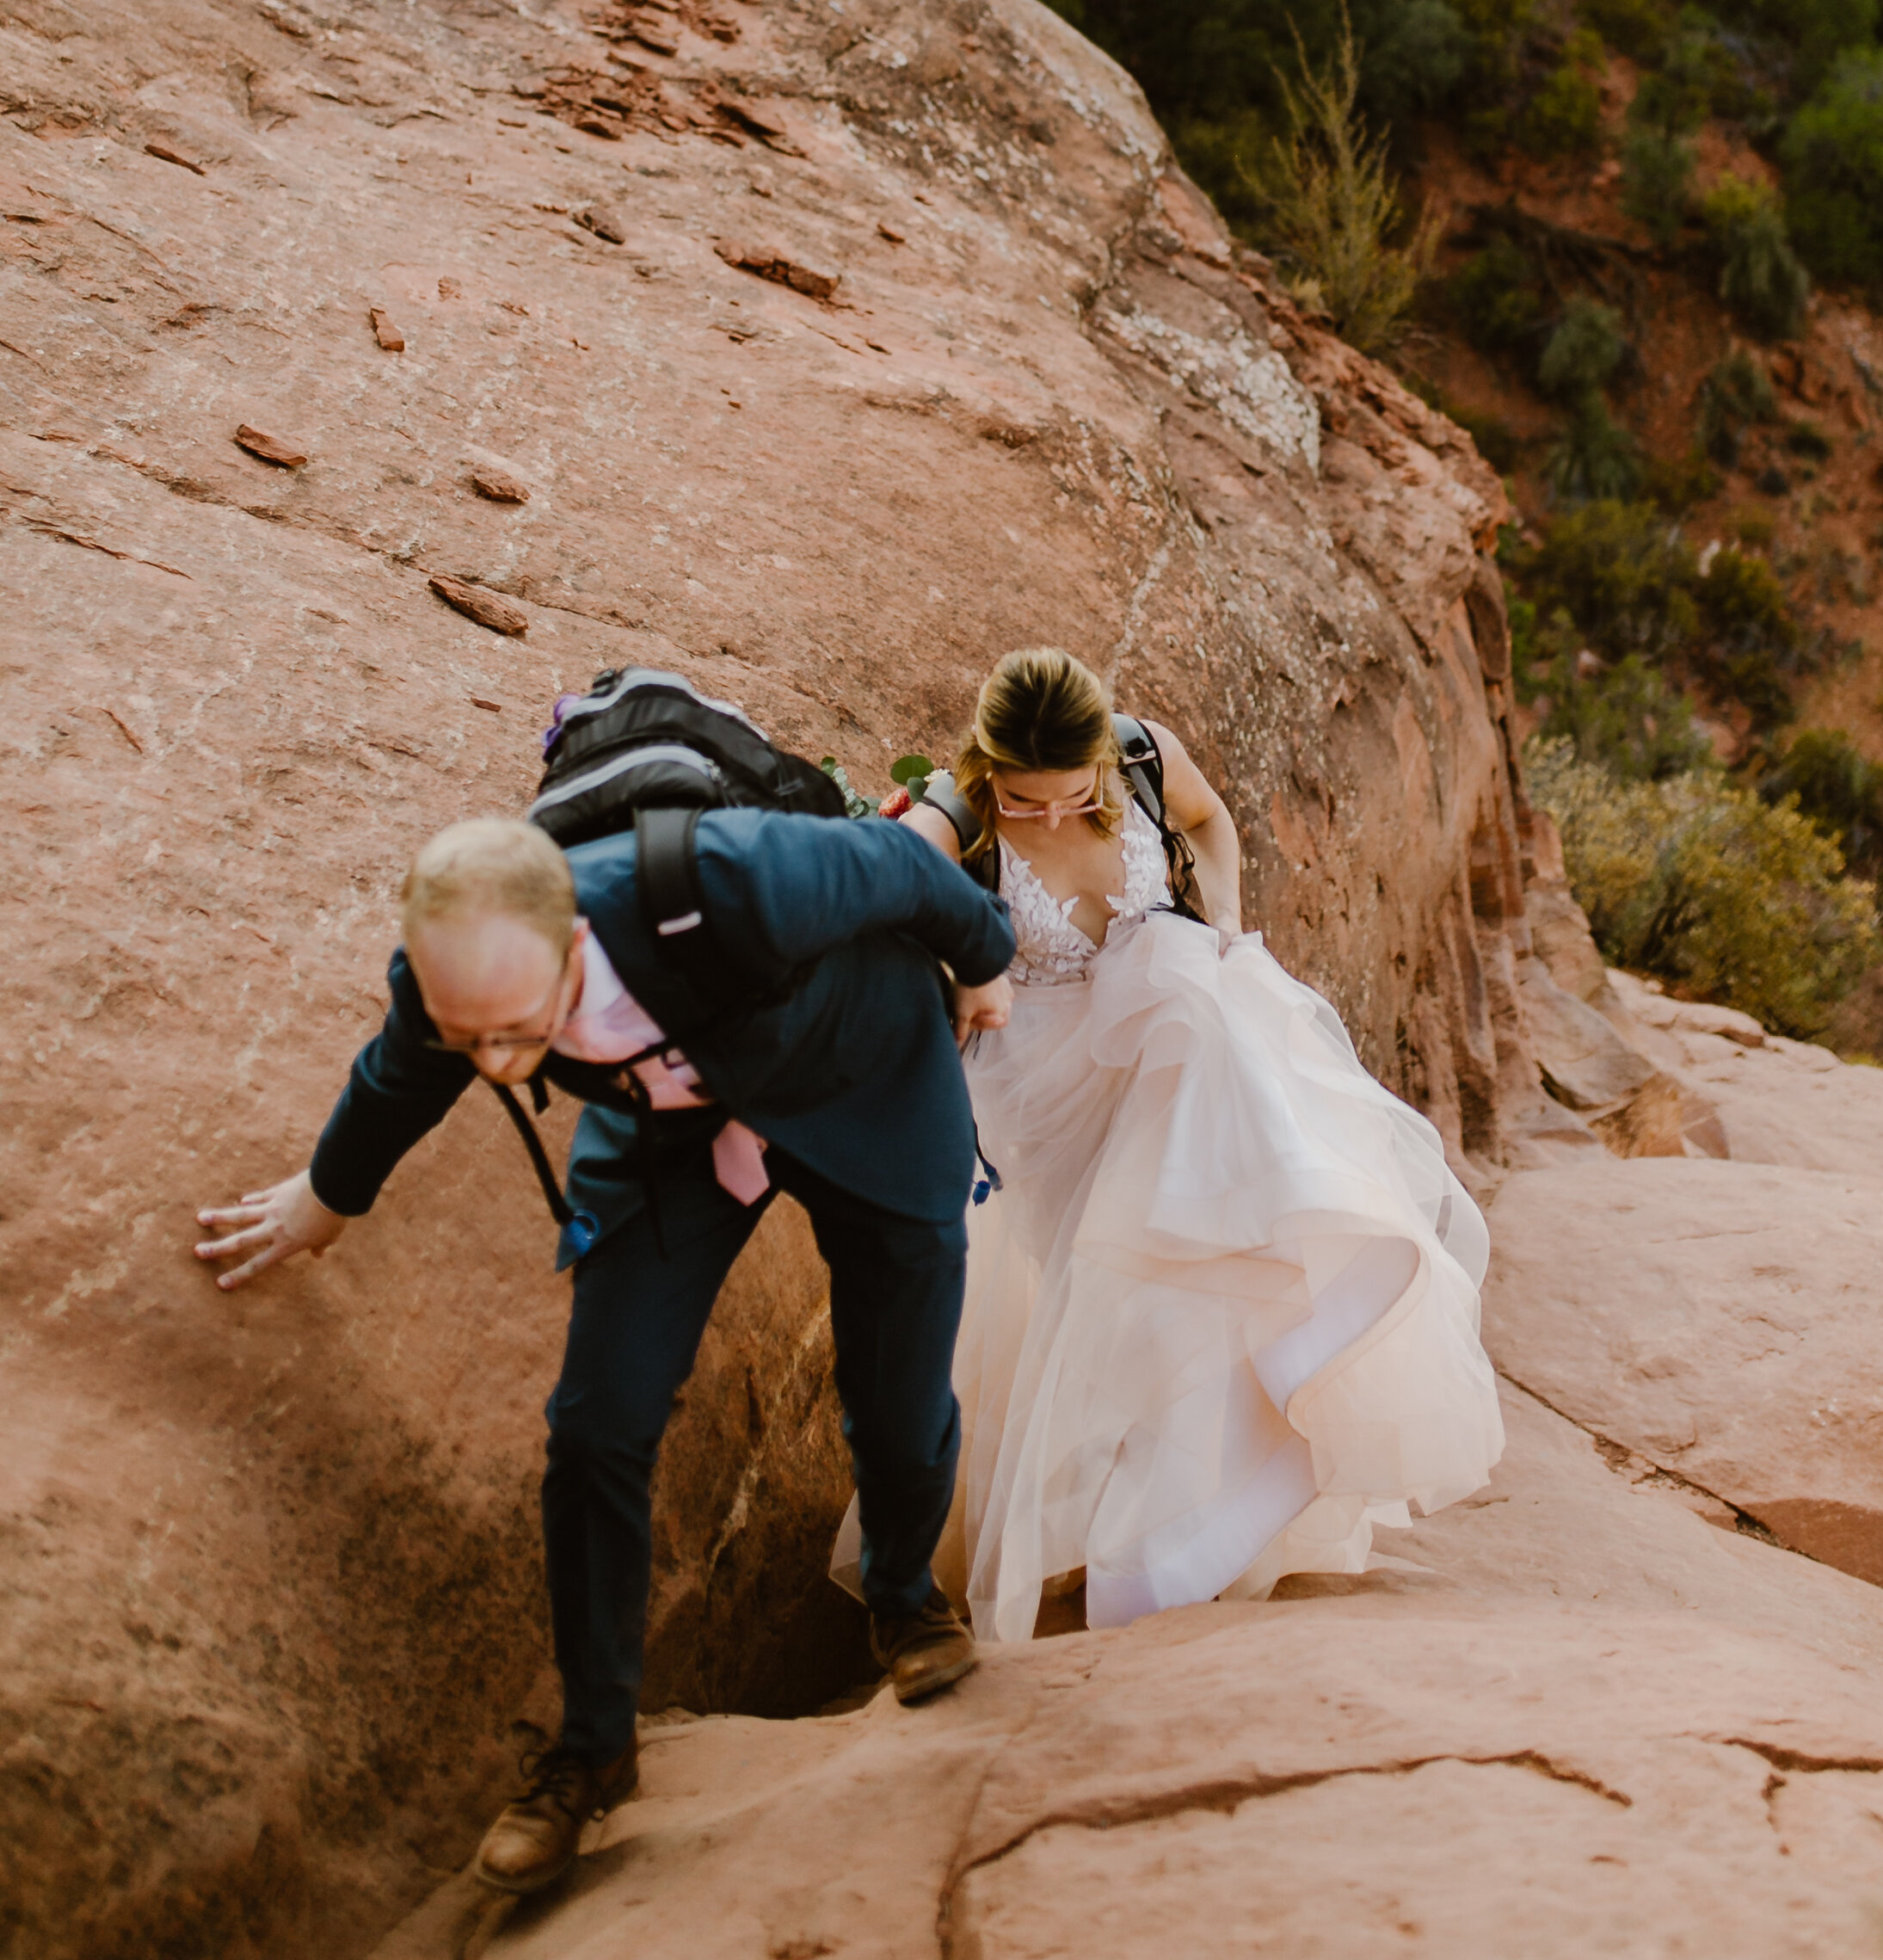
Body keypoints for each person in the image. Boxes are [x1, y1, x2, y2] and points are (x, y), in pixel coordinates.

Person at [196, 803, 1017, 1897]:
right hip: (670, 1135)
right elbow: (402, 1072)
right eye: (467, 1033)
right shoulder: (448, 977)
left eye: (514, 1028)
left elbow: (896, 867)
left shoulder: (730, 882)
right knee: (595, 1428)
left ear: (572, 943)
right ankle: (590, 1747)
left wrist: (983, 962)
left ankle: (904, 1598)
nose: (493, 1059)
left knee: (899, 1374)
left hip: (860, 1074)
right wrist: (325, 1199)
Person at [903, 648, 1505, 1645]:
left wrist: (1222, 915)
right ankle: (1137, 1538)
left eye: (1068, 795)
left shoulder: (1143, 756)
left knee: (1224, 1271)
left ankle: (1203, 1534)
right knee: (1117, 1313)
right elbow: (900, 882)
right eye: (1023, 800)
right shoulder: (953, 812)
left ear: (1101, 759)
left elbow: (1208, 820)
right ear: (986, 766)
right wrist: (966, 968)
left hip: (1174, 1052)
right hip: (1051, 1092)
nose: (1048, 818)